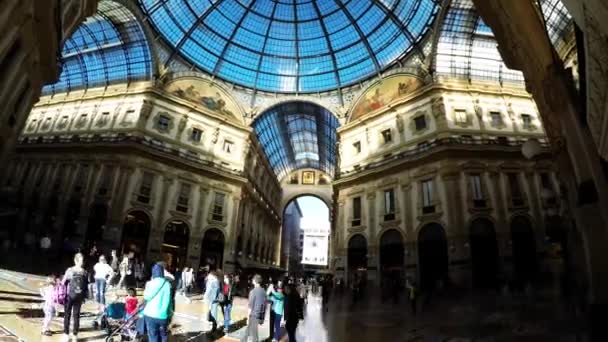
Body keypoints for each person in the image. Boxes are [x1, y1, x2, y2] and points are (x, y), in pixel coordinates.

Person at [62, 253, 88, 341]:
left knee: (67, 314)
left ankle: (66, 335)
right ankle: (75, 336)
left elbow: (63, 282)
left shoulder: (70, 270)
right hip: (79, 296)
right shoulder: (85, 272)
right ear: (82, 261)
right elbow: (86, 286)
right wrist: (84, 297)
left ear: (75, 260)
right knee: (76, 316)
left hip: (69, 295)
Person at [143, 263, 172, 342]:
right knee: (163, 335)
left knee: (153, 336)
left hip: (150, 314)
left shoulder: (149, 283)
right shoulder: (167, 284)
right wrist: (170, 314)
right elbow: (169, 301)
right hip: (163, 315)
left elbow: (146, 297)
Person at [240, 274, 266, 342]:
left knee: (254, 335)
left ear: (255, 281)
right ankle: (243, 340)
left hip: (254, 314)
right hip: (260, 313)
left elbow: (250, 306)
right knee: (248, 330)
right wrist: (262, 317)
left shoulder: (253, 291)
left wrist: (248, 318)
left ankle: (244, 340)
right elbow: (264, 304)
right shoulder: (263, 291)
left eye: (253, 279)